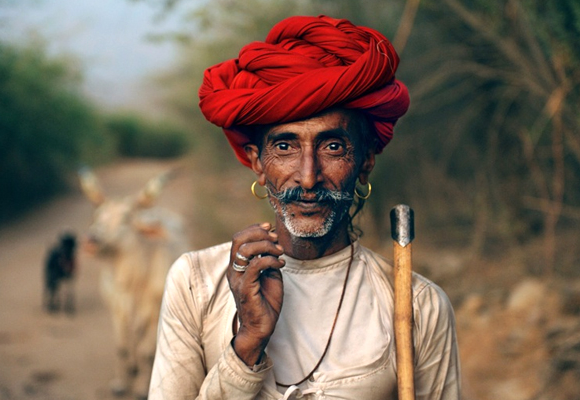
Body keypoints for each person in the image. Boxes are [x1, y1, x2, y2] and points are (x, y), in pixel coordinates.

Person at [149, 15, 461, 400]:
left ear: (365, 161)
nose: (308, 177)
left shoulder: (417, 305)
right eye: (285, 147)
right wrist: (246, 344)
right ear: (258, 163)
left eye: (332, 147)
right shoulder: (195, 283)